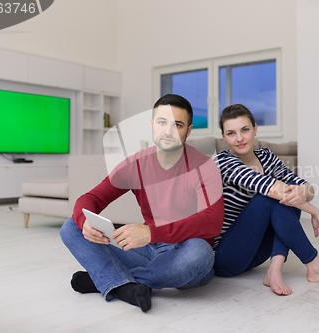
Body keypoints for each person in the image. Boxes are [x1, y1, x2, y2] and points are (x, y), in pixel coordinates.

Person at [60, 94, 224, 312]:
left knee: (200, 253)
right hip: (148, 251)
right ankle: (123, 285)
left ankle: (109, 280)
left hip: (185, 251)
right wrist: (85, 222)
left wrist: (151, 232)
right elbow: (91, 199)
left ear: (189, 130)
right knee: (70, 227)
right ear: (152, 124)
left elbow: (212, 222)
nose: (168, 131)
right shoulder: (136, 164)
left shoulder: (204, 166)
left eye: (178, 125)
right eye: (162, 122)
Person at [213, 104, 319, 295]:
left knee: (292, 192)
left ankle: (274, 269)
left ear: (255, 129)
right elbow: (268, 187)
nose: (239, 138)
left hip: (254, 255)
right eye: (231, 133)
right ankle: (315, 266)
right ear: (223, 137)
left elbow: (306, 187)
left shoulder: (266, 156)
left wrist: (303, 191)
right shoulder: (222, 161)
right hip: (226, 257)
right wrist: (314, 210)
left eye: (245, 130)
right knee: (270, 197)